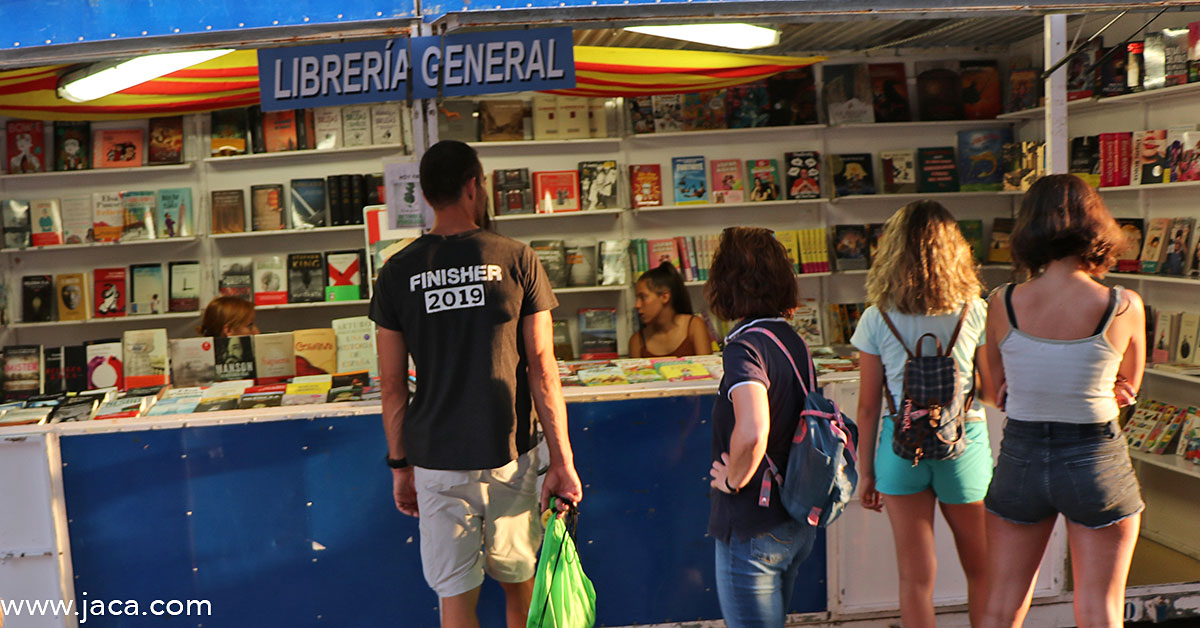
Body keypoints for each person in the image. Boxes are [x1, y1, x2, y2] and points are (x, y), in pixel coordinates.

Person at [369, 140, 583, 628]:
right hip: (511, 452)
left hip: (436, 458)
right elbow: (542, 367)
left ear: (425, 195)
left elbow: (392, 387)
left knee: (456, 602)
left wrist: (400, 466)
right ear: (474, 186)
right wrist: (563, 462)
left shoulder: (397, 272)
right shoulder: (516, 257)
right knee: (521, 589)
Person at [981, 174, 1145, 628]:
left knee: (1002, 606)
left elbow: (996, 389)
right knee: (1099, 610)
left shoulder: (1002, 302)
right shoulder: (1124, 304)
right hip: (1096, 459)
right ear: (1098, 227)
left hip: (1022, 457)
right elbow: (1129, 385)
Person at [850, 200, 995, 628]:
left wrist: (867, 473)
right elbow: (989, 390)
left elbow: (868, 405)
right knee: (983, 569)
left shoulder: (876, 318)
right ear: (956, 251)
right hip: (963, 446)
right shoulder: (976, 310)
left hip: (900, 449)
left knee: (915, 579)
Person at [704, 226, 816, 627]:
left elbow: (753, 430)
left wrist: (732, 481)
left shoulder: (745, 347)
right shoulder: (791, 340)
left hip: (754, 523)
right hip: (793, 519)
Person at [629, 262, 712, 358]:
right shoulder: (637, 341)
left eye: (643, 297)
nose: (637, 305)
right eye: (637, 299)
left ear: (665, 297)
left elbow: (708, 368)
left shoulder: (694, 326)